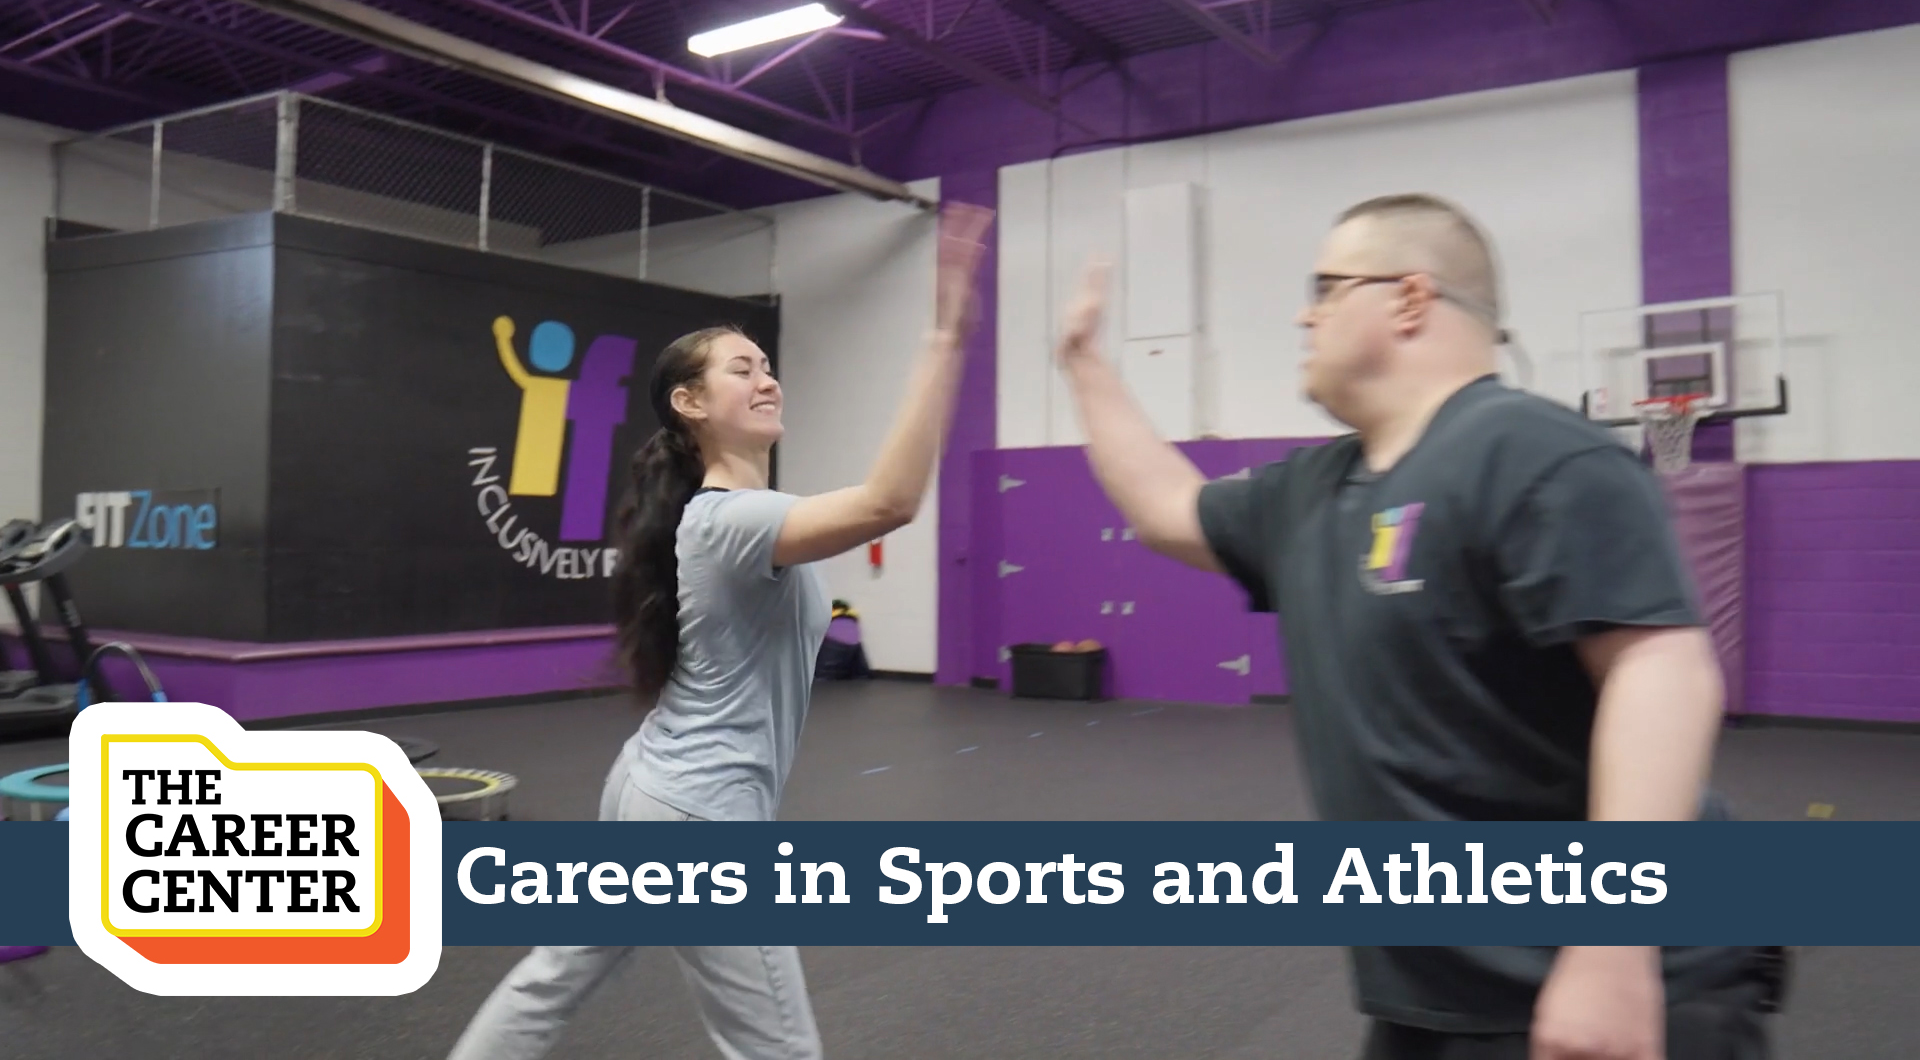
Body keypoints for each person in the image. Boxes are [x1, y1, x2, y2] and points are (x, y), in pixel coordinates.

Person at [1051, 193, 1783, 1060]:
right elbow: (1167, 508)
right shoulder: (1310, 492)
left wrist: (1611, 948)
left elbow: (1661, 669)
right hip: (1442, 998)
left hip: (1637, 981)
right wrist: (1083, 366)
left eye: (1325, 287)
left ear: (1408, 299)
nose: (1302, 312)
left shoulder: (1533, 451)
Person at [446, 201, 993, 1060]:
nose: (767, 378)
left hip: (653, 791)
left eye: (768, 365)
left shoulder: (734, 516)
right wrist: (942, 342)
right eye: (744, 370)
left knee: (552, 979)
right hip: (702, 820)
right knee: (777, 1047)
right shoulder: (732, 519)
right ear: (691, 402)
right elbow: (892, 502)